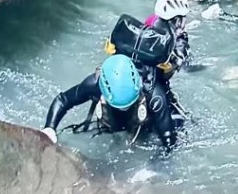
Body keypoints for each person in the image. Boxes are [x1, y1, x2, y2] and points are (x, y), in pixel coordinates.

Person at [39, 53, 177, 152]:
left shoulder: (154, 95)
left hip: (144, 124)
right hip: (112, 121)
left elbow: (168, 140)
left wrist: (155, 167)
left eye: (128, 105)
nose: (125, 109)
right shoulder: (94, 84)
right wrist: (49, 129)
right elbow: (63, 100)